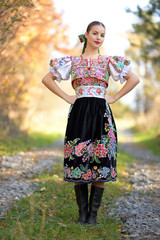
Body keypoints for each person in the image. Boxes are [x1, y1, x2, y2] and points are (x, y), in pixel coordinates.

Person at [42, 21, 140, 225]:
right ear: (86, 34)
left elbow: (134, 79)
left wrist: (114, 97)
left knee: (100, 157)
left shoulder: (109, 61)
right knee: (78, 156)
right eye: (95, 33)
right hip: (79, 113)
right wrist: (67, 97)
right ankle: (82, 214)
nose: (99, 37)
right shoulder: (72, 61)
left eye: (102, 35)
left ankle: (93, 216)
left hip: (101, 114)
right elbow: (47, 79)